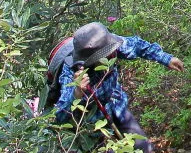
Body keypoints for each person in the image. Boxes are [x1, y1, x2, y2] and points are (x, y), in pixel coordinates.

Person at [52, 21, 184, 152]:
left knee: (143, 147)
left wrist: (166, 58)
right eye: (106, 54)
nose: (112, 54)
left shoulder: (108, 43)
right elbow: (59, 116)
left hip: (116, 105)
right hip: (92, 125)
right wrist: (77, 92)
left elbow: (136, 46)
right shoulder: (70, 72)